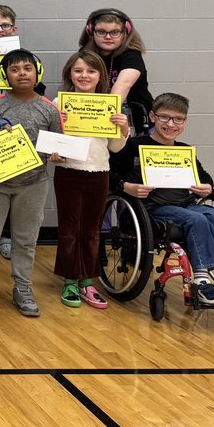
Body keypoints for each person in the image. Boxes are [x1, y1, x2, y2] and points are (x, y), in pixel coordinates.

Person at [0, 49, 62, 318]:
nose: (22, 74)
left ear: (37, 73)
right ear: (5, 75)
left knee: (25, 240)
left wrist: (57, 154)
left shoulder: (48, 108)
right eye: (15, 69)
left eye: (27, 68)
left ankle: (23, 288)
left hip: (33, 183)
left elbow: (58, 143)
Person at [114, 93, 214, 306]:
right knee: (196, 220)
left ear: (185, 122)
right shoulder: (133, 146)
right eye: (164, 117)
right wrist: (126, 187)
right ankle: (201, 281)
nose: (171, 124)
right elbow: (111, 173)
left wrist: (207, 186)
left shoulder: (184, 150)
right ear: (153, 116)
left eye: (178, 119)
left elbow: (203, 176)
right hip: (153, 208)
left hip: (185, 205)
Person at [53, 50, 130, 309]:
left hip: (99, 172)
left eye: (91, 71)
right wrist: (56, 140)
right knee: (69, 229)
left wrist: (124, 129)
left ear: (100, 76)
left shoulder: (110, 105)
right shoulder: (59, 103)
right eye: (78, 70)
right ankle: (70, 280)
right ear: (70, 74)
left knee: (91, 230)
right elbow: (51, 145)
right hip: (68, 172)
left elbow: (115, 148)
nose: (84, 75)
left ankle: (87, 281)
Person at [78, 8, 153, 136]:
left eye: (115, 32)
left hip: (137, 123)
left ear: (125, 32)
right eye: (101, 32)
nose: (108, 37)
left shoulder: (132, 54)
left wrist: (103, 116)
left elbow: (123, 85)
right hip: (98, 121)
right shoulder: (85, 55)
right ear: (91, 31)